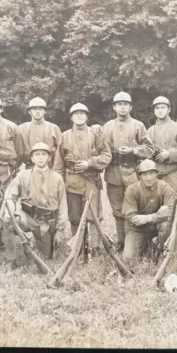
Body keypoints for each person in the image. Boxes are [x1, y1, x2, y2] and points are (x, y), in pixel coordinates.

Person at [53, 103, 111, 252]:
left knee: (94, 216)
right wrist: (57, 184)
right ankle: (77, 247)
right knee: (74, 217)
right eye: (76, 113)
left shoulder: (95, 134)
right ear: (71, 117)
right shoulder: (64, 136)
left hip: (91, 181)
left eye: (82, 113)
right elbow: (59, 163)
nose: (79, 115)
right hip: (72, 182)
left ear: (87, 116)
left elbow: (106, 156)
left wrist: (89, 163)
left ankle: (95, 247)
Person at [102, 92, 154, 252]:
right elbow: (100, 149)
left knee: (133, 208)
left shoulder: (138, 125)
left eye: (125, 104)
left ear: (130, 107)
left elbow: (150, 149)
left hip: (133, 172)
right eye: (119, 104)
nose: (122, 107)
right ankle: (121, 242)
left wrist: (133, 150)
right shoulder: (107, 126)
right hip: (113, 172)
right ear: (114, 107)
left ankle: (136, 243)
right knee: (117, 210)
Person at [5, 142, 70, 263]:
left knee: (45, 258)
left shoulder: (57, 178)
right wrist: (9, 213)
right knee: (6, 224)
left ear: (49, 158)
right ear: (32, 158)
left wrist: (60, 231)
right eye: (37, 154)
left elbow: (63, 206)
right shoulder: (23, 176)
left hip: (46, 223)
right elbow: (10, 196)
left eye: (44, 154)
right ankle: (12, 260)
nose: (40, 157)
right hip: (27, 218)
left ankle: (36, 247)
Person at [122, 159, 176, 260]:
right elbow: (130, 217)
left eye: (151, 173)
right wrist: (159, 215)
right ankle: (148, 245)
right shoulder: (132, 189)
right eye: (144, 174)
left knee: (166, 226)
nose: (148, 178)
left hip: (159, 226)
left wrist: (149, 218)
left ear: (156, 174)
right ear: (139, 176)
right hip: (139, 229)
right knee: (128, 258)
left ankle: (161, 249)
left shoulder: (164, 187)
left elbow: (172, 211)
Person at [147, 96, 177, 192]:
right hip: (155, 176)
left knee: (173, 204)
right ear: (154, 111)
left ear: (169, 110)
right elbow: (145, 152)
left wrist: (169, 154)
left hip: (172, 175)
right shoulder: (150, 131)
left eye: (163, 107)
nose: (160, 111)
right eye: (157, 108)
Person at [16, 97, 61, 169]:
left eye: (40, 109)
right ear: (29, 111)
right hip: (29, 168)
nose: (37, 111)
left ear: (45, 111)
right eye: (34, 109)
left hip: (50, 168)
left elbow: (60, 153)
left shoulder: (54, 128)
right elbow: (18, 153)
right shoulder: (21, 129)